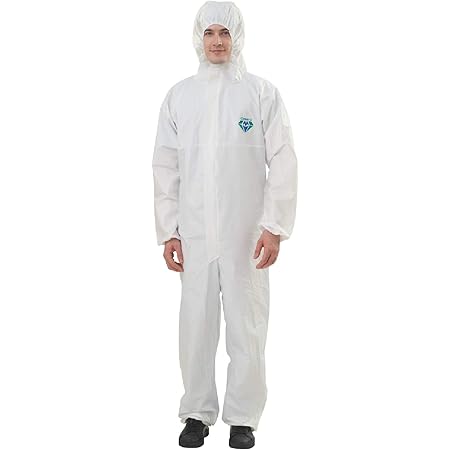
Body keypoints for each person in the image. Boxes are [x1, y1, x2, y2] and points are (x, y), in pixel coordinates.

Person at [152, 1, 297, 448]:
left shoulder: (260, 93)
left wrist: (274, 226)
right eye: (210, 33)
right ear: (199, 38)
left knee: (247, 325)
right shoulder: (180, 96)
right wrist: (169, 230)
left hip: (245, 234)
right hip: (195, 232)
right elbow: (165, 166)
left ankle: (243, 418)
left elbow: (283, 160)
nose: (217, 41)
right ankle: (196, 413)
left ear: (238, 37)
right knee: (195, 325)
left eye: (225, 33)